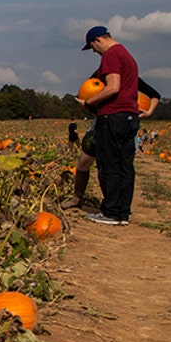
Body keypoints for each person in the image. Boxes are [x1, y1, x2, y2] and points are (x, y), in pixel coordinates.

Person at [74, 25, 141, 226]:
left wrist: (89, 102)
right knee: (124, 165)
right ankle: (122, 212)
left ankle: (111, 212)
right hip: (129, 115)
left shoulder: (111, 55)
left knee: (109, 163)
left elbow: (113, 87)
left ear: (98, 40)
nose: (94, 51)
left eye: (93, 47)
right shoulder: (126, 54)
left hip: (113, 116)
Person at [62, 76, 160, 209]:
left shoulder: (129, 79)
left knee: (113, 165)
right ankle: (77, 197)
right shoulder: (101, 76)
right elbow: (86, 93)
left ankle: (114, 204)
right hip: (102, 120)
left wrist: (148, 112)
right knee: (84, 161)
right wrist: (89, 103)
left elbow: (154, 95)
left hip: (121, 122)